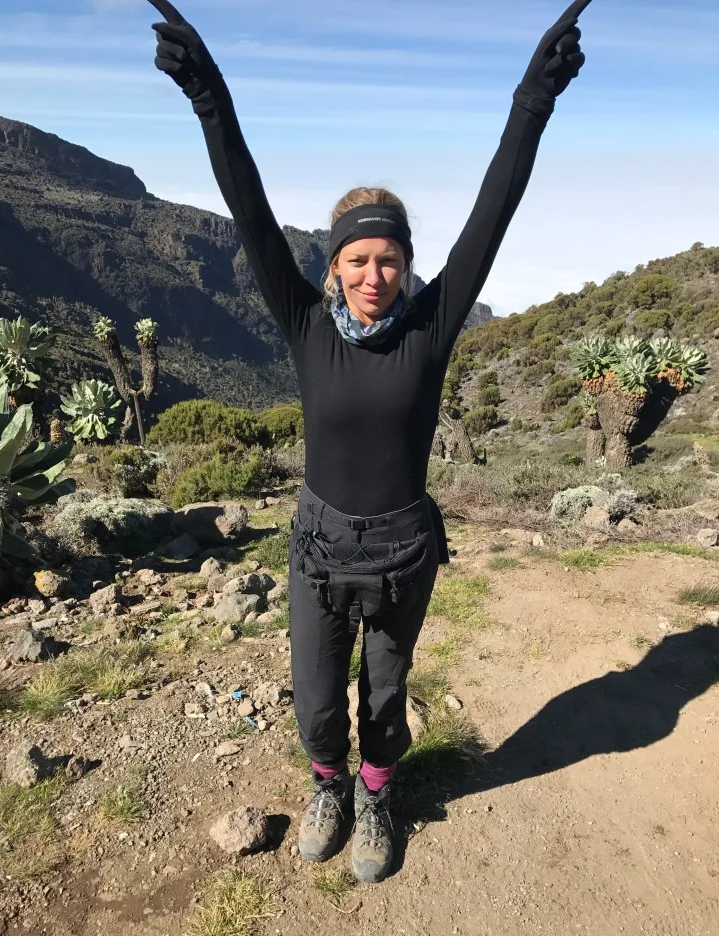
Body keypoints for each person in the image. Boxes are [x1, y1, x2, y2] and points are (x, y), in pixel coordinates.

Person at [148, 0, 592, 883]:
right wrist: (207, 92)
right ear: (334, 268)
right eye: (357, 260)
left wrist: (534, 97)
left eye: (388, 259)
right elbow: (247, 203)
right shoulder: (305, 323)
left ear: (408, 266)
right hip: (317, 546)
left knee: (384, 696)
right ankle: (329, 785)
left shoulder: (431, 328)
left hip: (401, 548)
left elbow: (494, 208)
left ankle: (380, 798)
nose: (373, 276)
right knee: (317, 701)